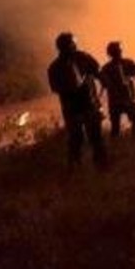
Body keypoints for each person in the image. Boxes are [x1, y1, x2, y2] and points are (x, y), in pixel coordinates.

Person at [46, 32, 108, 169]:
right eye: (73, 43)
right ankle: (100, 167)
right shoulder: (83, 57)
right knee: (94, 138)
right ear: (71, 45)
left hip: (71, 109)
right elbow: (99, 74)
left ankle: (76, 168)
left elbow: (55, 88)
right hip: (88, 106)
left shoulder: (54, 67)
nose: (75, 45)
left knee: (77, 139)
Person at [101, 41, 135, 137]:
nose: (119, 52)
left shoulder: (106, 68)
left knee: (117, 127)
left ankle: (129, 141)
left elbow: (104, 83)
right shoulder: (127, 63)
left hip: (117, 101)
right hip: (126, 100)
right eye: (118, 50)